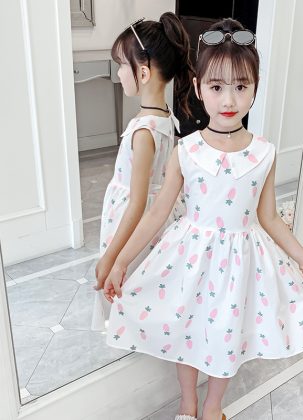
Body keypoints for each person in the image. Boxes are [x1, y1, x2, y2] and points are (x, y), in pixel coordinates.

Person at [103, 18, 303, 420]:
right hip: (190, 259)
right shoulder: (186, 150)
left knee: (226, 336)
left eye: (241, 86)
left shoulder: (264, 152)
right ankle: (188, 405)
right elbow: (156, 212)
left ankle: (213, 408)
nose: (229, 99)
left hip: (240, 265)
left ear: (255, 87)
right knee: (185, 330)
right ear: (199, 86)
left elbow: (270, 217)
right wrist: (120, 261)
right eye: (217, 87)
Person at [91, 12, 193, 331]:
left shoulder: (143, 131)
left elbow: (137, 203)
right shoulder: (166, 118)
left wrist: (110, 256)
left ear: (144, 72)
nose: (119, 72)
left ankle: (133, 331)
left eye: (123, 65)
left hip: (137, 219)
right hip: (159, 214)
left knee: (131, 281)